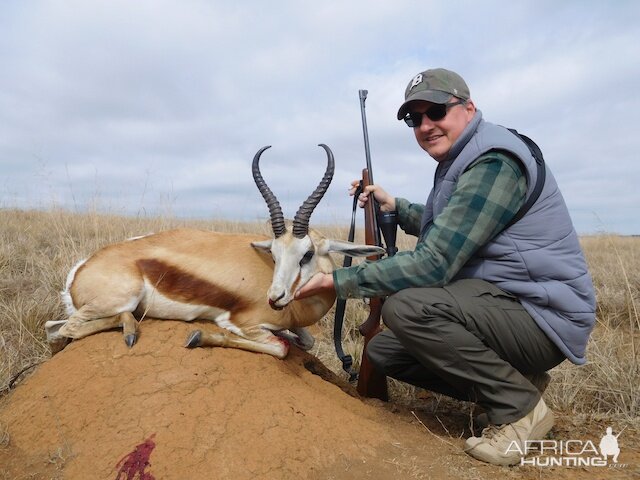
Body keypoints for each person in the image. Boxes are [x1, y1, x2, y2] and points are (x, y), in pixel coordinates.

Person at [295, 68, 596, 466]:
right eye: (414, 119)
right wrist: (396, 207)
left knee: (408, 307)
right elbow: (458, 226)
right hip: (505, 305)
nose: (425, 125)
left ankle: (520, 410)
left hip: (541, 318)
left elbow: (435, 263)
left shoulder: (493, 161)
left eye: (435, 111)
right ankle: (517, 384)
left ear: (468, 108)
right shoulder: (464, 157)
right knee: (386, 351)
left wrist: (339, 280)